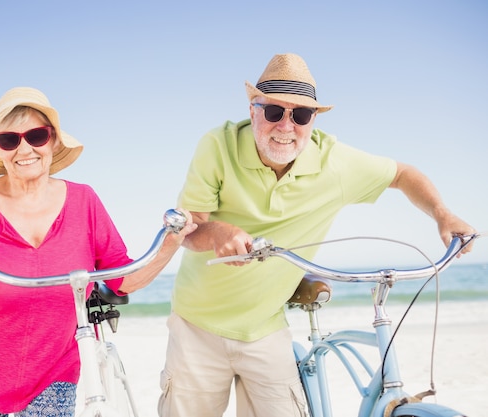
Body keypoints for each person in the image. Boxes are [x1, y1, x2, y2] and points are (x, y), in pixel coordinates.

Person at [157, 53, 475, 417]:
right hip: (197, 323)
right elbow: (188, 229)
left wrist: (442, 214)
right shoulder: (217, 146)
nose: (286, 126)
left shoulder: (333, 162)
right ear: (253, 110)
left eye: (301, 115)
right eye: (274, 111)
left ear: (314, 120)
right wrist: (219, 231)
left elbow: (402, 174)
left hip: (265, 326)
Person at [0, 86, 196, 417]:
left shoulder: (83, 201)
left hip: (52, 374)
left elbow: (122, 280)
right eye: (9, 140)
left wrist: (171, 243)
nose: (24, 148)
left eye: (36, 135)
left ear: (53, 141)